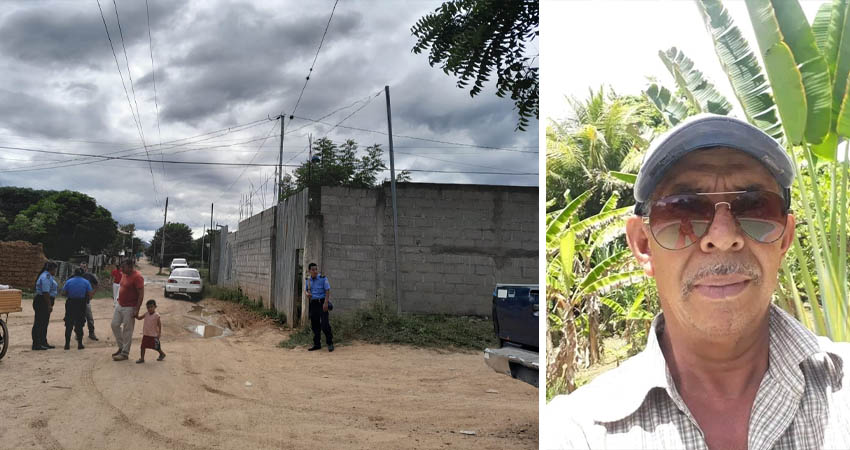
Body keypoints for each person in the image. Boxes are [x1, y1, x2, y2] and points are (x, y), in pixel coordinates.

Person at [544, 115, 850, 449]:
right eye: (683, 209)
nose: (722, 237)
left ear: (784, 240)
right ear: (644, 246)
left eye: (755, 207)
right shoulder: (578, 432)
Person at [111, 259, 144, 361]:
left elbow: (141, 295)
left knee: (127, 330)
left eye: (123, 267)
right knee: (114, 325)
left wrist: (136, 310)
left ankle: (125, 353)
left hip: (130, 307)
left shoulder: (137, 277)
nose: (121, 269)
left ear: (130, 267)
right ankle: (121, 347)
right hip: (120, 304)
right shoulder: (124, 274)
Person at [61, 268, 93, 350]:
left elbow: (63, 293)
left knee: (69, 324)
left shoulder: (69, 281)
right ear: (82, 274)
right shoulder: (86, 282)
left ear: (74, 273)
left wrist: (70, 294)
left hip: (70, 303)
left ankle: (67, 344)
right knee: (79, 324)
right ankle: (80, 344)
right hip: (81, 304)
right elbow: (90, 294)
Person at [305, 263, 333, 352]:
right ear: (309, 271)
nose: (315, 271)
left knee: (325, 324)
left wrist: (325, 303)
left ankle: (330, 343)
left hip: (322, 303)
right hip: (313, 304)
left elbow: (327, 290)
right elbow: (306, 290)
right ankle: (317, 344)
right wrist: (307, 294)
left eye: (316, 269)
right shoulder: (308, 280)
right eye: (313, 270)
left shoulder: (322, 278)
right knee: (315, 325)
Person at [31, 261, 58, 350]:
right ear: (52, 269)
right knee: (39, 323)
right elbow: (45, 292)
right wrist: (49, 305)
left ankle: (43, 342)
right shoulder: (46, 277)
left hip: (43, 301)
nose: (55, 271)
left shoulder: (47, 276)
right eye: (55, 269)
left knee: (44, 323)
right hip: (43, 301)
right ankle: (36, 344)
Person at [135, 299, 165, 363]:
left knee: (156, 347)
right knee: (143, 346)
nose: (150, 308)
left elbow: (159, 325)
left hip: (153, 335)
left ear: (155, 307)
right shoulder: (146, 314)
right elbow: (140, 318)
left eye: (151, 307)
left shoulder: (157, 315)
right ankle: (142, 358)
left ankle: (162, 354)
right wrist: (136, 315)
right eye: (148, 307)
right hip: (146, 334)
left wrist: (159, 333)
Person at [79, 262, 99, 341]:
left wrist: (92, 294)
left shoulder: (89, 276)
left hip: (86, 300)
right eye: (81, 267)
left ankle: (92, 333)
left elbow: (96, 285)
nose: (82, 269)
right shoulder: (77, 275)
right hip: (78, 300)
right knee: (79, 318)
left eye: (84, 267)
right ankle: (78, 333)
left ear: (86, 268)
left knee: (89, 317)